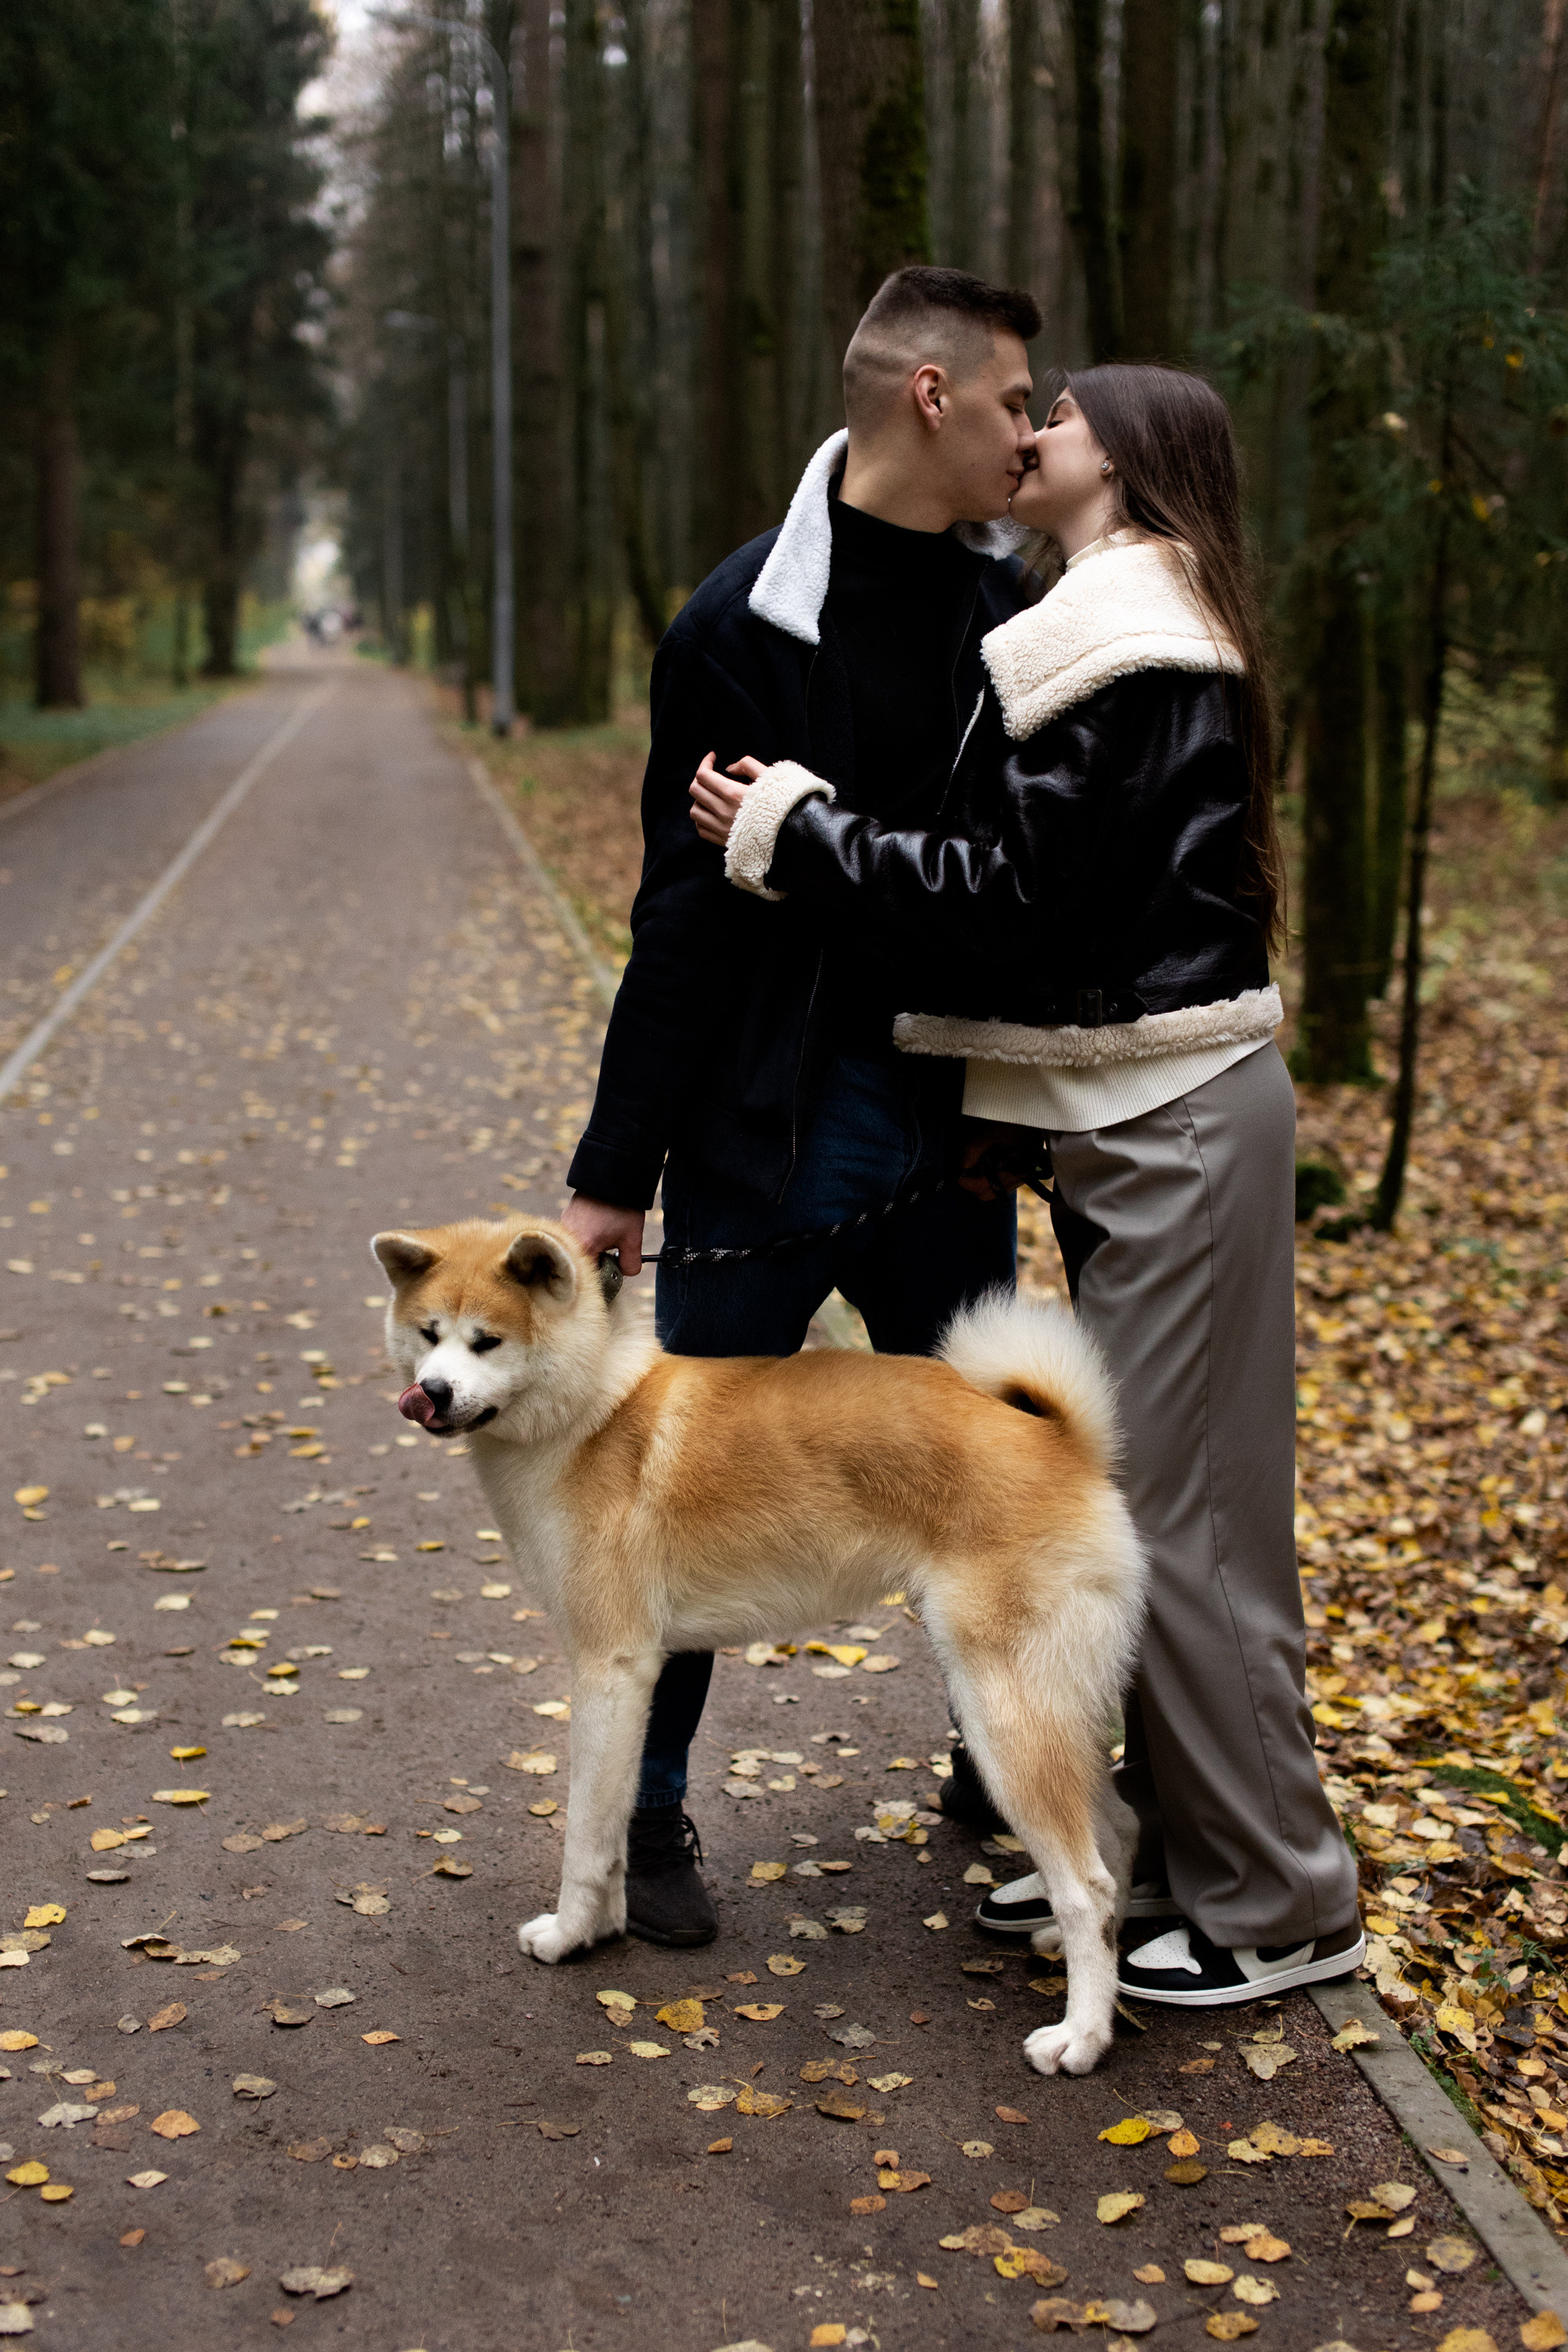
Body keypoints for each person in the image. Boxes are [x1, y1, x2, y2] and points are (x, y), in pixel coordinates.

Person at [688, 363, 1365, 2006]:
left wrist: (802, 830)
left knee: (1190, 1531)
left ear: (1123, 461)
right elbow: (1092, 917)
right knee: (1151, 1514)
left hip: (1179, 1128)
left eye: (1055, 411)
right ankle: (1165, 1866)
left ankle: (1278, 1905)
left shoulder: (1130, 642)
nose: (1030, 427)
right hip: (1143, 1120)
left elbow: (1017, 902)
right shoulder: (1106, 625)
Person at [560, 266, 1044, 1947]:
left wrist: (1021, 1111)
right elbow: (681, 913)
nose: (1030, 435)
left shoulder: (1021, 611)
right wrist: (615, 1175)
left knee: (993, 1470)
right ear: (929, 396)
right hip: (759, 1141)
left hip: (950, 1137)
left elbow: (1018, 889)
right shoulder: (738, 622)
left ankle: (1003, 1770)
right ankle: (646, 1815)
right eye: (1009, 403)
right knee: (680, 1501)